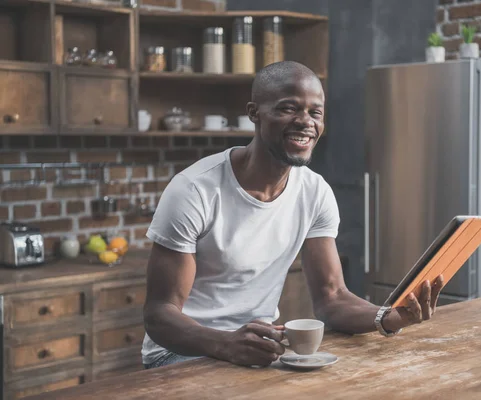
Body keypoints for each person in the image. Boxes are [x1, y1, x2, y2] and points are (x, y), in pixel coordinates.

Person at [142, 61, 444, 369]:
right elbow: (159, 315)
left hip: (256, 350)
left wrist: (389, 317)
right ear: (254, 113)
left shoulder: (314, 192)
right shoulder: (194, 190)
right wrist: (225, 343)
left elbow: (333, 298)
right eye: (289, 108)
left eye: (315, 112)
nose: (305, 122)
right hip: (180, 354)